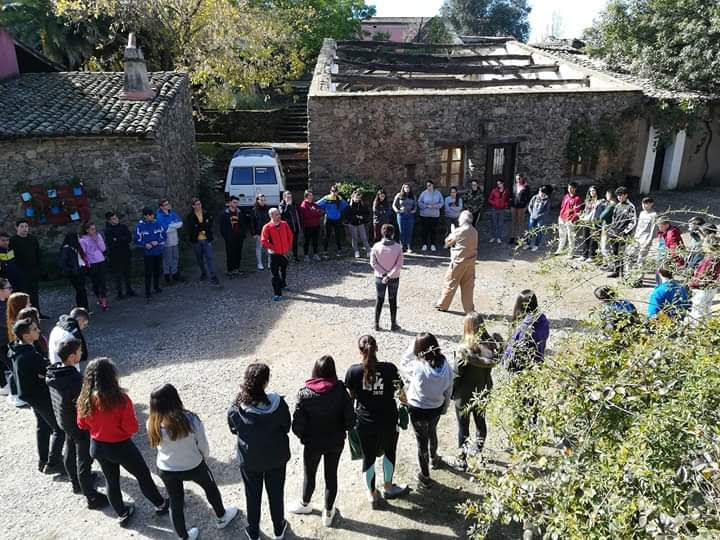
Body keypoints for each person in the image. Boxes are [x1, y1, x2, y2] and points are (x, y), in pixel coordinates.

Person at [77, 358, 169, 525]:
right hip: (120, 446)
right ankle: (160, 504)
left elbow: (81, 424)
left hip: (97, 446)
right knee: (142, 475)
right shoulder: (120, 399)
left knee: (111, 481)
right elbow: (132, 428)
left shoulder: (85, 399)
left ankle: (122, 513)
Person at [148, 384, 238, 540]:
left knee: (175, 502)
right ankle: (221, 516)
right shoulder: (190, 419)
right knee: (210, 488)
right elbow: (202, 444)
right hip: (193, 464)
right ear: (175, 399)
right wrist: (203, 456)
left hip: (166, 468)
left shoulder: (152, 422)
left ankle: (183, 537)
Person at [344, 335, 409, 507]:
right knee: (389, 452)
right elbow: (401, 395)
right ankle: (388, 487)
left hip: (365, 423)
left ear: (359, 351)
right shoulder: (390, 368)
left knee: (368, 457)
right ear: (377, 348)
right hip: (389, 420)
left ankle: (372, 494)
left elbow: (349, 399)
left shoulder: (353, 372)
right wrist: (405, 406)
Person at [289, 356, 354, 527]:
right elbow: (351, 420)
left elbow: (296, 425)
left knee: (309, 474)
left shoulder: (305, 394)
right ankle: (329, 511)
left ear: (315, 371)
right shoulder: (341, 390)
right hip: (336, 441)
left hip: (313, 444)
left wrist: (304, 438)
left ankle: (305, 503)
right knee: (331, 476)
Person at [228, 363, 291, 540]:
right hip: (276, 457)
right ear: (266, 382)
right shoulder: (278, 404)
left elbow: (233, 429)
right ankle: (279, 529)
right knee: (276, 493)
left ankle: (253, 532)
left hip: (250, 460)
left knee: (252, 495)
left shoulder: (237, 406)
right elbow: (286, 426)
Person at [46, 338, 109, 508]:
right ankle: (91, 496)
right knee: (84, 458)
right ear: (73, 356)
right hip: (76, 423)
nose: (82, 353)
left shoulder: (54, 372)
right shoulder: (73, 379)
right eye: (80, 351)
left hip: (63, 419)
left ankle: (75, 482)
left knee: (69, 448)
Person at [9, 318, 65, 474]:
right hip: (38, 395)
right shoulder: (29, 355)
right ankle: (53, 464)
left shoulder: (17, 349)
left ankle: (43, 459)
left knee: (43, 426)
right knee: (59, 429)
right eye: (34, 329)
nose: (38, 331)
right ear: (26, 335)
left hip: (30, 394)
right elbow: (47, 369)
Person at [400, 333, 453, 487]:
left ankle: (425, 475)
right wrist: (445, 406)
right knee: (432, 432)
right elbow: (449, 389)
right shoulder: (446, 365)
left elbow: (403, 364)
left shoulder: (417, 367)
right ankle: (434, 458)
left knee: (421, 442)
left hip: (418, 408)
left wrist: (412, 347)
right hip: (436, 407)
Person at [452, 313, 502, 469]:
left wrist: (452, 393)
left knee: (463, 427)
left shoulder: (464, 351)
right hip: (483, 391)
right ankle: (478, 452)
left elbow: (456, 376)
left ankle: (462, 458)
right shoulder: (490, 348)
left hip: (464, 395)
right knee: (480, 423)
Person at [435, 210, 478, 314]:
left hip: (459, 262)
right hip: (471, 262)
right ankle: (469, 309)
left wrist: (452, 232)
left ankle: (443, 305)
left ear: (462, 220)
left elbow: (448, 242)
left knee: (451, 282)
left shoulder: (459, 231)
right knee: (468, 286)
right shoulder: (474, 231)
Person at [503, 290, 550, 372]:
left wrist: (504, 360)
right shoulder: (543, 320)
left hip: (520, 368)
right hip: (537, 363)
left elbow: (513, 351)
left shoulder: (524, 327)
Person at [370, 224, 404, 331]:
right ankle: (393, 324)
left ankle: (376, 324)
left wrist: (383, 274)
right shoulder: (398, 247)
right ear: (393, 233)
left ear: (382, 233)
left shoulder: (376, 246)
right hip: (394, 278)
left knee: (379, 300)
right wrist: (389, 275)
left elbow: (373, 263)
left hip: (380, 278)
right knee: (392, 300)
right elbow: (399, 265)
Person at [10, 219, 45, 318]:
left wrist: (39, 268)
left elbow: (38, 254)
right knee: (24, 295)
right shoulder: (13, 241)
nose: (24, 229)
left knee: (34, 293)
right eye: (22, 227)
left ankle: (37, 313)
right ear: (17, 228)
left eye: (26, 226)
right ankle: (25, 315)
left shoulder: (32, 239)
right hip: (21, 272)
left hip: (33, 271)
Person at [261, 208, 294, 302]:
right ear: (271, 216)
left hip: (284, 253)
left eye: (279, 214)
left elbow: (290, 235)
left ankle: (283, 284)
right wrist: (274, 248)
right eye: (276, 214)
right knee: (274, 274)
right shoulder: (267, 227)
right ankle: (277, 293)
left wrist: (288, 247)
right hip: (273, 255)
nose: (279, 216)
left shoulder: (284, 224)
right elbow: (264, 241)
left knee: (284, 270)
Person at [135, 207, 167, 300]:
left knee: (157, 270)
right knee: (148, 272)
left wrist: (157, 241)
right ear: (145, 216)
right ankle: (147, 291)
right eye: (150, 215)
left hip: (158, 251)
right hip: (148, 253)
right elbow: (137, 239)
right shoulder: (140, 226)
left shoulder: (157, 224)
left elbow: (164, 235)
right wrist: (145, 244)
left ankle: (156, 287)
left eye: (152, 215)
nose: (152, 216)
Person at [5, 291, 30, 407]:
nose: (30, 304)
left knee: (14, 371)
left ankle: (14, 394)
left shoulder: (11, 319)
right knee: (16, 372)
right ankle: (16, 395)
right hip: (18, 351)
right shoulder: (18, 324)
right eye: (28, 303)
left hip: (13, 350)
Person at [187, 198, 220, 285]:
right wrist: (202, 227)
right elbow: (192, 228)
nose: (199, 206)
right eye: (197, 204)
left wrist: (199, 226)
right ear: (193, 206)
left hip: (206, 239)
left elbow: (209, 224)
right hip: (196, 240)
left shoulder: (206, 213)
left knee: (210, 257)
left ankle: (213, 275)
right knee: (199, 258)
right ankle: (203, 272)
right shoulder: (190, 216)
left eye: (200, 204)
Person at [606, 187, 637, 278]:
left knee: (622, 254)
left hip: (623, 234)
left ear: (626, 195)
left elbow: (633, 221)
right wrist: (611, 229)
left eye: (621, 195)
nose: (619, 197)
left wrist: (625, 231)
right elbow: (614, 218)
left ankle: (622, 274)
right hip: (614, 232)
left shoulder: (630, 206)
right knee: (614, 252)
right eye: (618, 196)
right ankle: (616, 270)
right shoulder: (617, 205)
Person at [689, 234, 720, 322]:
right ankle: (708, 325)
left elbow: (701, 277)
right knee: (706, 308)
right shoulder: (717, 258)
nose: (703, 245)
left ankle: (696, 329)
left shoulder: (709, 260)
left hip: (703, 288)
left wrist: (692, 283)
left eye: (704, 243)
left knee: (698, 309)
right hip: (712, 287)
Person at [104, 212, 136, 299]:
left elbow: (128, 238)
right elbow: (111, 242)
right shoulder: (108, 230)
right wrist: (120, 239)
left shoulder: (123, 227)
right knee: (117, 274)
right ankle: (119, 292)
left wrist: (118, 239)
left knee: (127, 272)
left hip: (125, 253)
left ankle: (129, 289)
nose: (116, 220)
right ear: (109, 221)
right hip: (115, 255)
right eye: (113, 219)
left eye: (116, 218)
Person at [628, 197, 657, 287]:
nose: (644, 206)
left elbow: (653, 230)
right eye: (643, 203)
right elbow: (638, 226)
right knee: (629, 256)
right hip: (637, 238)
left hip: (645, 239)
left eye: (646, 203)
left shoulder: (654, 215)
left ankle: (639, 279)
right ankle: (629, 276)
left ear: (651, 204)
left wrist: (648, 242)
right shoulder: (641, 213)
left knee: (641, 260)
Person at [79, 222, 109, 311]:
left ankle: (104, 299)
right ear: (87, 230)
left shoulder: (98, 236)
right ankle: (98, 297)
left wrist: (97, 240)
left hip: (101, 260)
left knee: (102, 280)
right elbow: (83, 252)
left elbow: (103, 248)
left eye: (94, 229)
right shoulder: (83, 240)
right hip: (92, 263)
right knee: (95, 282)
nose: (94, 231)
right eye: (92, 229)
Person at [58, 232, 90, 309]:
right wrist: (71, 271)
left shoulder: (74, 247)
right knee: (80, 290)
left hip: (79, 270)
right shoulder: (67, 249)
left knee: (81, 290)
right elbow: (62, 263)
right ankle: (83, 307)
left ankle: (84, 307)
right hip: (75, 273)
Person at [156, 199, 185, 285]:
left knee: (175, 256)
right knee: (167, 258)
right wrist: (173, 225)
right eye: (166, 204)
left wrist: (171, 226)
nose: (168, 205)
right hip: (166, 240)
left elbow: (180, 223)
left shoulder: (172, 213)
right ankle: (167, 275)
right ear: (161, 207)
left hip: (174, 239)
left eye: (168, 203)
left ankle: (175, 273)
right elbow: (164, 229)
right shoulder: (159, 216)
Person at [219, 196, 248, 276]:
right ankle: (230, 270)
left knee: (238, 253)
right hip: (229, 237)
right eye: (234, 202)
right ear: (230, 203)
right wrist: (226, 236)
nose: (236, 204)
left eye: (237, 202)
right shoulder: (224, 214)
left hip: (239, 236)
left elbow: (243, 224)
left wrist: (243, 234)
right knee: (230, 253)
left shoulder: (239, 212)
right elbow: (222, 227)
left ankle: (237, 269)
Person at [317, 185, 349, 257]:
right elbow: (317, 204)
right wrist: (324, 211)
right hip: (328, 219)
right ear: (330, 191)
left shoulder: (340, 199)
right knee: (326, 235)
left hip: (337, 220)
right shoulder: (326, 198)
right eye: (333, 191)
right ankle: (325, 251)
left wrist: (339, 212)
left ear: (337, 192)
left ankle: (339, 250)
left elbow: (346, 206)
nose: (334, 193)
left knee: (338, 235)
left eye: (335, 191)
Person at [555, 182, 582, 257]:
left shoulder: (577, 199)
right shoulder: (566, 196)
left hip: (570, 220)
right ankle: (560, 249)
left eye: (571, 188)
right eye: (568, 188)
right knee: (562, 235)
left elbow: (577, 212)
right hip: (562, 218)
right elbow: (562, 206)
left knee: (571, 236)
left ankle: (571, 252)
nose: (569, 189)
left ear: (575, 188)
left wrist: (572, 220)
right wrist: (561, 215)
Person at [655, 217, 685, 281]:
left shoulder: (671, 234)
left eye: (660, 226)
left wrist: (678, 261)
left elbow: (674, 247)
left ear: (666, 225)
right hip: (662, 254)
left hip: (666, 257)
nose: (659, 228)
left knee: (664, 274)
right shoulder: (665, 232)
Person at [524, 185, 553, 251]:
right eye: (540, 193)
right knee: (530, 230)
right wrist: (531, 213)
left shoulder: (547, 200)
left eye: (543, 193)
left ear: (545, 193)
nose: (541, 194)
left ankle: (536, 245)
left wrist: (540, 215)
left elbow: (547, 211)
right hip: (532, 217)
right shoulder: (535, 197)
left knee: (539, 231)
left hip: (541, 219)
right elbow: (530, 206)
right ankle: (528, 244)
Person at [417, 180, 444, 251]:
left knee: (433, 230)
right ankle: (424, 244)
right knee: (425, 230)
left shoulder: (438, 193)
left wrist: (435, 206)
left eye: (430, 185)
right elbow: (419, 203)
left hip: (434, 215)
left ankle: (433, 244)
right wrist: (426, 206)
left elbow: (442, 203)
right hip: (424, 215)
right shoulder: (424, 193)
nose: (428, 187)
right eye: (427, 186)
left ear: (433, 185)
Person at [345, 190, 372, 259]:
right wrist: (355, 217)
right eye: (356, 197)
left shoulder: (362, 205)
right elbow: (348, 216)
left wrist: (362, 217)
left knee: (364, 238)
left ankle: (368, 251)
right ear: (353, 197)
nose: (357, 199)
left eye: (359, 198)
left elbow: (366, 213)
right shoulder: (349, 206)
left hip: (360, 223)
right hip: (352, 224)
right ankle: (356, 251)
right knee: (354, 238)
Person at [577, 186, 601, 261]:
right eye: (590, 191)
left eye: (593, 191)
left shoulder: (600, 201)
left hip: (594, 222)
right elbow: (585, 210)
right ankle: (584, 255)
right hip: (586, 221)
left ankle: (592, 256)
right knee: (585, 238)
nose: (592, 192)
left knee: (593, 239)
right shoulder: (587, 200)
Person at [299, 190, 323, 261]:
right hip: (308, 226)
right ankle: (306, 255)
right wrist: (316, 212)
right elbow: (307, 215)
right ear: (306, 196)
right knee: (307, 241)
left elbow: (321, 212)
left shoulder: (314, 204)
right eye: (309, 195)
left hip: (316, 225)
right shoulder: (303, 205)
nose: (311, 197)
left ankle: (315, 254)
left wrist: (314, 212)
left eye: (312, 195)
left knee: (315, 241)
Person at [392, 183, 417, 253]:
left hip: (410, 215)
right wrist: (397, 211)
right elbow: (394, 205)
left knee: (409, 231)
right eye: (405, 188)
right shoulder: (399, 195)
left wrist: (414, 210)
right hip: (401, 215)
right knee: (402, 231)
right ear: (403, 188)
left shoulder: (413, 196)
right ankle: (402, 246)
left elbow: (415, 205)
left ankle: (409, 246)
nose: (407, 189)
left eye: (408, 188)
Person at [279, 191, 303, 263]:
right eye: (288, 197)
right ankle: (286, 257)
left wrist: (300, 224)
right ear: (284, 197)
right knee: (286, 243)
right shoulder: (281, 205)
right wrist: (287, 206)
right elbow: (282, 215)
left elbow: (299, 214)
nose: (290, 199)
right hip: (287, 228)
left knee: (295, 242)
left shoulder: (295, 204)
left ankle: (295, 256)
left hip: (296, 226)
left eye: (290, 197)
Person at [250, 194, 271, 270]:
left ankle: (269, 263)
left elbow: (271, 220)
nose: (263, 201)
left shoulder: (268, 209)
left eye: (264, 200)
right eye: (261, 200)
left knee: (269, 247)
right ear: (257, 200)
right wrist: (253, 233)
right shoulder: (254, 210)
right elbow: (252, 222)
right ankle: (259, 263)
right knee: (259, 248)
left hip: (268, 232)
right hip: (259, 232)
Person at [509, 174, 531, 245]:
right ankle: (512, 237)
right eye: (516, 179)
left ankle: (518, 238)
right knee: (513, 222)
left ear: (522, 178)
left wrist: (525, 206)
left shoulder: (526, 187)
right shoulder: (515, 185)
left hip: (521, 207)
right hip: (514, 206)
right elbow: (512, 194)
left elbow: (528, 197)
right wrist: (511, 202)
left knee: (520, 222)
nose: (518, 180)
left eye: (519, 178)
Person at [0, 278, 13, 396]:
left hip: (5, 341)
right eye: (8, 288)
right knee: (13, 367)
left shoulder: (4, 303)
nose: (11, 290)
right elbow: (8, 323)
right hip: (2, 343)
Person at [487, 180, 510, 244]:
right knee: (494, 223)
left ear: (503, 183)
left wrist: (505, 204)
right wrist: (494, 203)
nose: (498, 185)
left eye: (500, 184)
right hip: (494, 209)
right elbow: (489, 199)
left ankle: (499, 237)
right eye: (497, 184)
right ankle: (493, 237)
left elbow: (507, 199)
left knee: (500, 224)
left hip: (502, 209)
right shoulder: (494, 190)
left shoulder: (506, 191)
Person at [599, 189, 617, 264]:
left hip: (608, 226)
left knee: (605, 246)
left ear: (610, 195)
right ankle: (606, 262)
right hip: (611, 226)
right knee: (607, 245)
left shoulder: (611, 205)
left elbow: (602, 216)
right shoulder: (613, 204)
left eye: (607, 194)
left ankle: (609, 263)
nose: (606, 196)